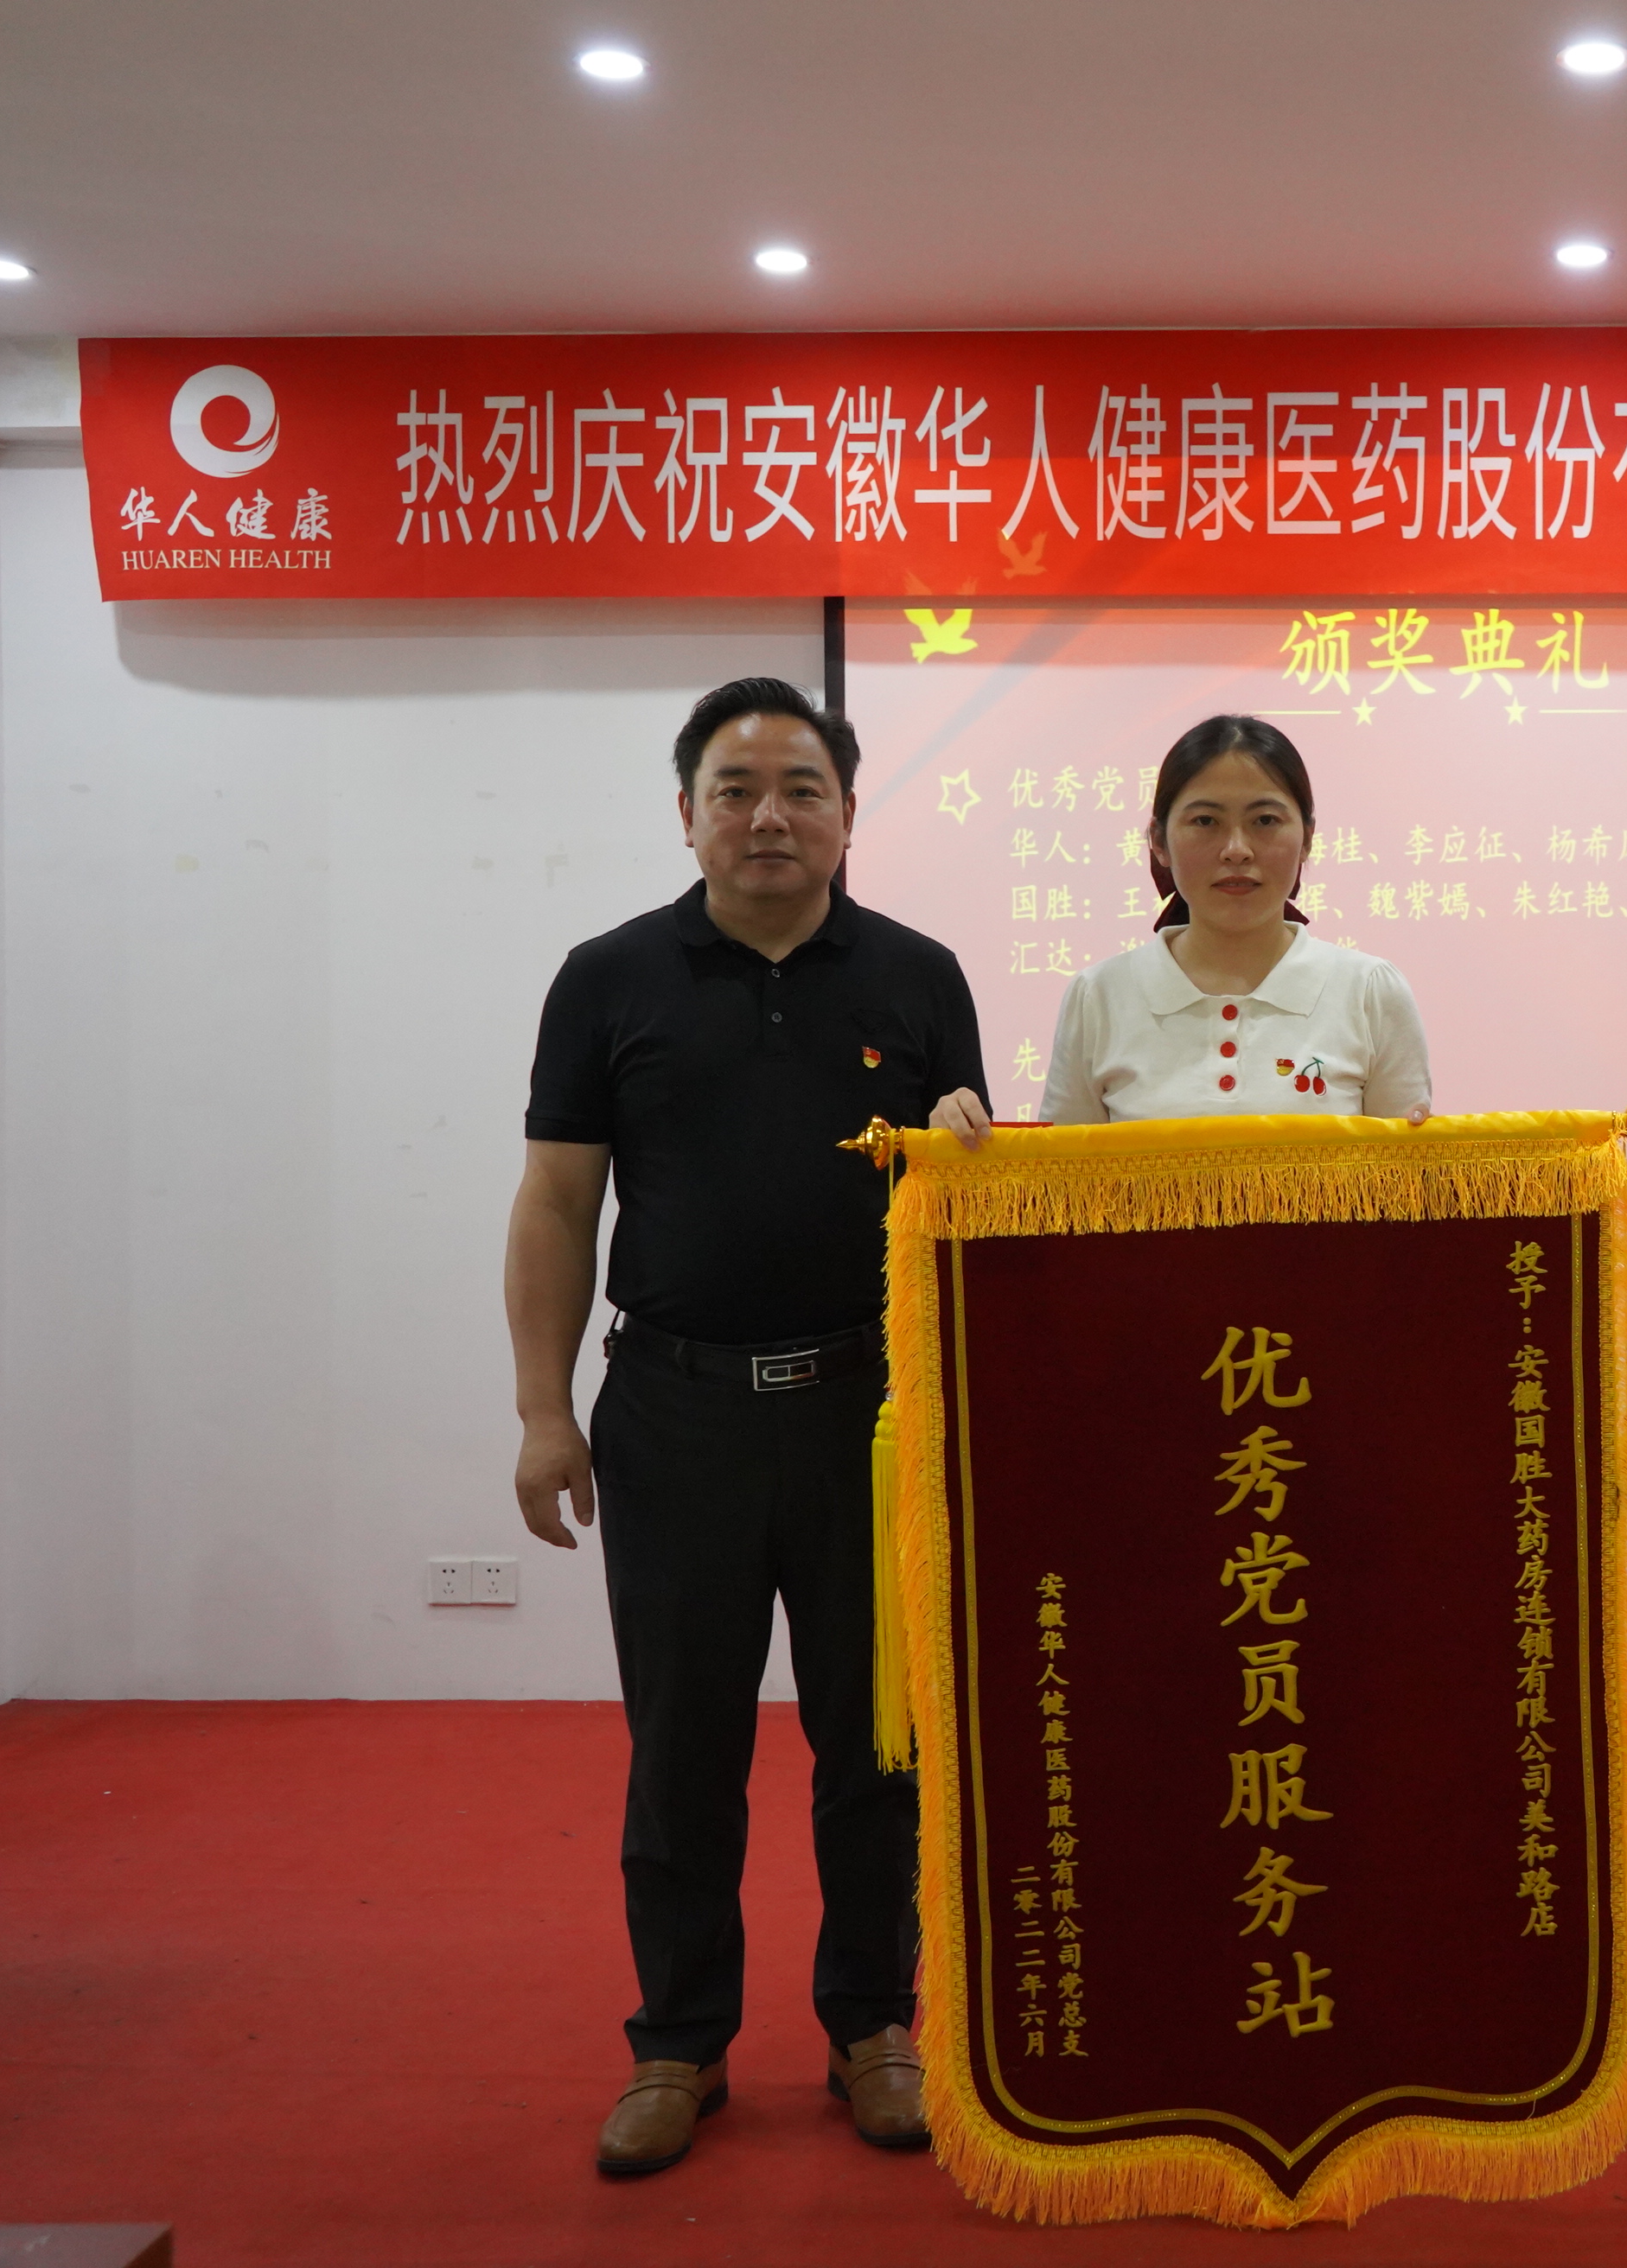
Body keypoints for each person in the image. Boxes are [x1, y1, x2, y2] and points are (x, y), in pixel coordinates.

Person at [504, 677, 988, 2179]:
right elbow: (558, 1202)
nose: (768, 816)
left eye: (801, 788)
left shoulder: (918, 976)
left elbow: (967, 1198)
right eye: (735, 789)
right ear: (687, 812)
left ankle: (874, 2025)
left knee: (879, 1744)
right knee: (682, 1748)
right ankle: (679, 2041)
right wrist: (542, 1411)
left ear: (847, 812)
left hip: (874, 1416)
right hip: (675, 1415)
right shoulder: (609, 978)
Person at [941, 715, 1432, 1139]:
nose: (1237, 849)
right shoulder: (1100, 996)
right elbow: (1060, 1186)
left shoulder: (1369, 990)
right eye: (1205, 821)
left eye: (1265, 820)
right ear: (1158, 841)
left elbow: (1406, 1189)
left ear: (1307, 839)